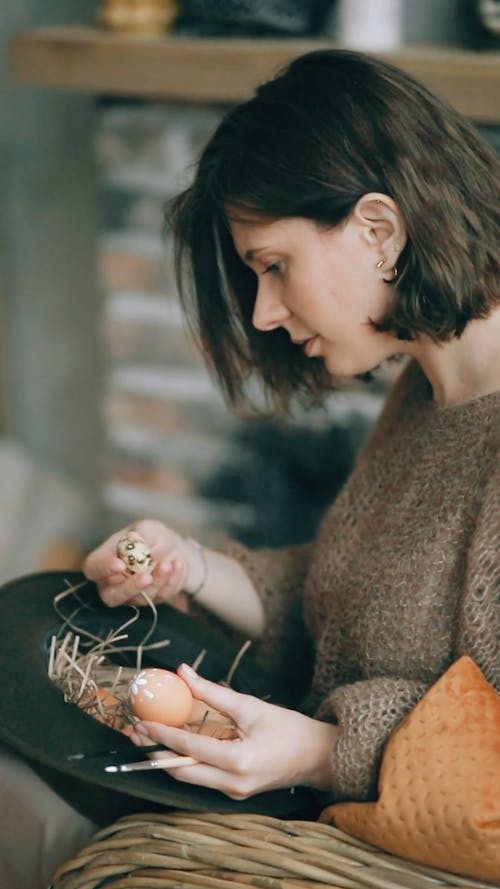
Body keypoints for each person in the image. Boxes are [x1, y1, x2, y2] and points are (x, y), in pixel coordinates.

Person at [1, 48, 499, 888]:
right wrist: (190, 567)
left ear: (379, 230)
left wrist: (319, 749)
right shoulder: (426, 388)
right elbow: (352, 591)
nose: (266, 312)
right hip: (304, 741)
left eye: (274, 266)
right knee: (29, 631)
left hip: (375, 812)